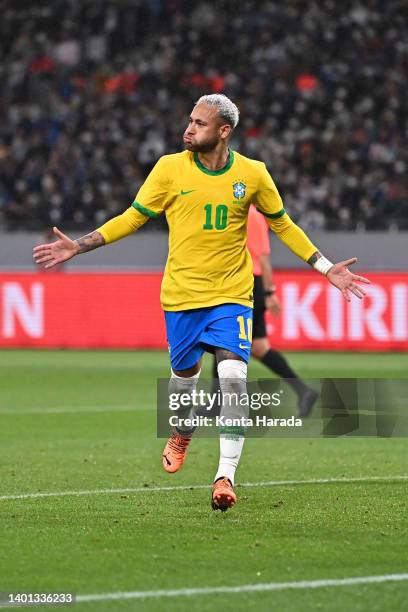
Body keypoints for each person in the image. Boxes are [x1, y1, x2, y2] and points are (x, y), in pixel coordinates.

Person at [33, 94, 370, 512]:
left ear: (223, 131)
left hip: (231, 295)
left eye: (199, 123)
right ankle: (181, 430)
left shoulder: (254, 174)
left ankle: (225, 476)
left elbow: (283, 224)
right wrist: (79, 247)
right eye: (189, 121)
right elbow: (133, 216)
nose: (188, 129)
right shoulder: (169, 169)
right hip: (180, 296)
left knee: (233, 381)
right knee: (185, 382)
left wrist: (324, 267)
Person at [211, 204, 318, 417]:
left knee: (220, 340)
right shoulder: (238, 211)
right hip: (243, 283)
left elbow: (262, 257)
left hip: (247, 284)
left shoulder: (250, 215)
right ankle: (304, 391)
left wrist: (269, 293)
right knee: (259, 348)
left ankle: (217, 403)